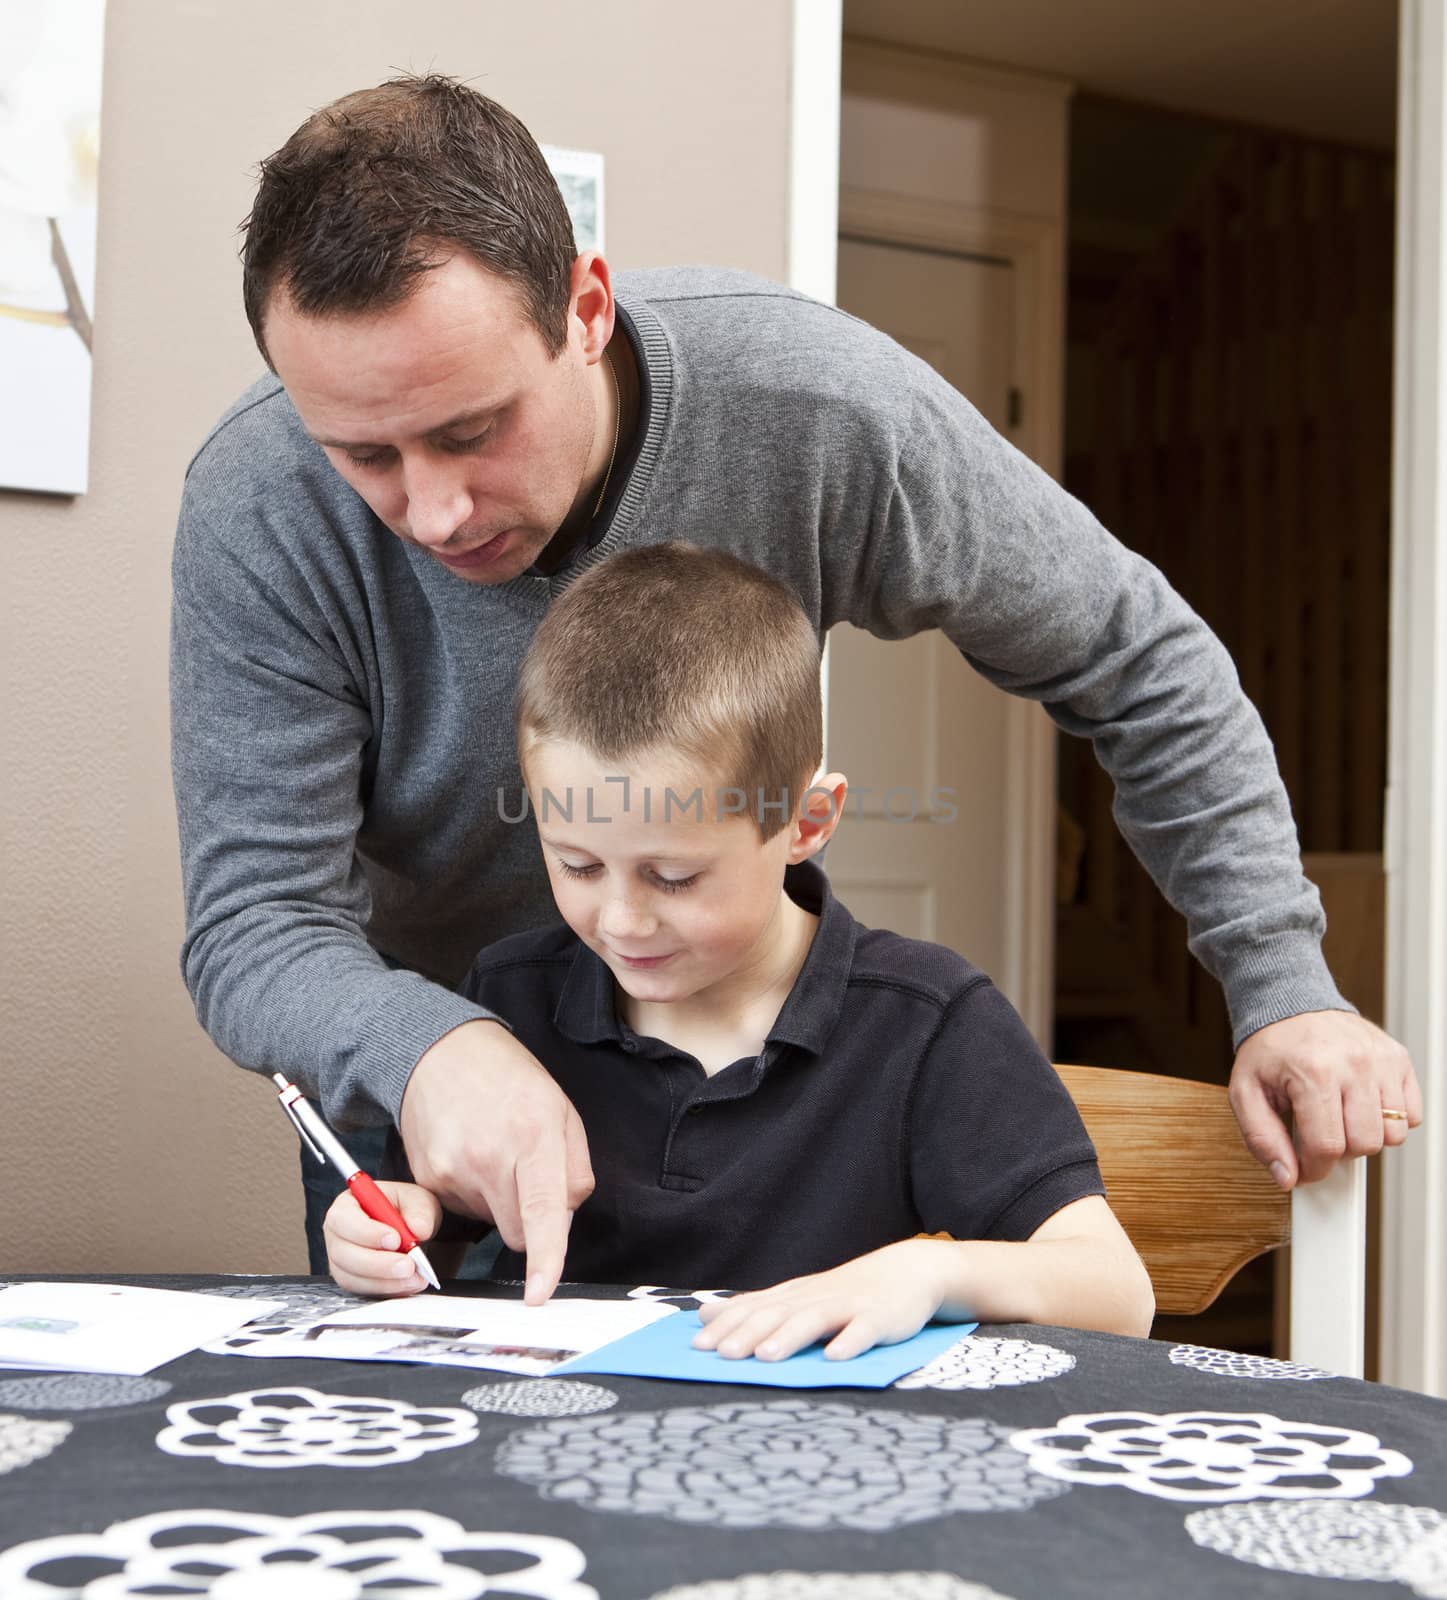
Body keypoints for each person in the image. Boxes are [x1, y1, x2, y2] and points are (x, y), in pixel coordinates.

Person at [171, 73, 1421, 1299]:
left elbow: (1136, 655)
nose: (430, 510)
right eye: (361, 453)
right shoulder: (259, 502)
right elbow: (255, 923)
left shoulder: (815, 410)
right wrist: (429, 1048)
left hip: (759, 1092)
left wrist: (1283, 987)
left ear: (586, 307)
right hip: (436, 1123)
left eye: (471, 430)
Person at [323, 545, 1156, 1354]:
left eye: (673, 876)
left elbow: (1116, 1293)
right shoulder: (510, 999)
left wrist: (929, 1273)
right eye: (575, 864)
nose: (619, 921)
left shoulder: (926, 1022)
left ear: (806, 824)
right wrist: (388, 1231)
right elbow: (429, 1235)